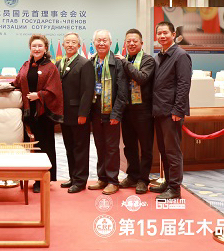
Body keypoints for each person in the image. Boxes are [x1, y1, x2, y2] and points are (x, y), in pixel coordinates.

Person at [12, 34, 63, 193]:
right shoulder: (26, 65)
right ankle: (30, 176)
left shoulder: (51, 67)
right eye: (34, 46)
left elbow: (55, 90)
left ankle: (43, 180)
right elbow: (17, 82)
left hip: (43, 114)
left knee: (44, 147)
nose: (37, 48)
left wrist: (39, 95)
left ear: (45, 48)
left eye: (40, 46)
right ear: (30, 48)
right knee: (29, 146)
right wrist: (3, 88)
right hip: (28, 112)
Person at [150, 21, 192, 200]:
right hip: (159, 110)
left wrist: (178, 110)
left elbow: (184, 84)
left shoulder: (181, 55)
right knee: (163, 150)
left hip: (171, 112)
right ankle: (168, 182)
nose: (162, 36)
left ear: (173, 34)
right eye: (159, 33)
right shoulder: (159, 56)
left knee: (173, 151)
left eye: (165, 33)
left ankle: (175, 188)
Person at [115, 28, 156, 194]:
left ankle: (143, 179)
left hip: (144, 110)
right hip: (127, 110)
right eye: (129, 41)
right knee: (129, 146)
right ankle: (132, 175)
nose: (131, 44)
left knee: (145, 147)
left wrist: (125, 63)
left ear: (141, 43)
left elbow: (141, 78)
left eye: (135, 41)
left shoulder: (148, 60)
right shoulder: (123, 60)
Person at [88, 29, 128, 195]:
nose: (101, 43)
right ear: (94, 43)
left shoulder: (117, 63)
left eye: (105, 40)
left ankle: (113, 181)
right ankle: (102, 178)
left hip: (111, 111)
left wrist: (116, 114)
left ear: (110, 43)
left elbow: (123, 91)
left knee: (111, 147)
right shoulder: (90, 62)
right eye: (98, 40)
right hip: (95, 111)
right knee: (100, 146)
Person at [56, 32, 94, 194]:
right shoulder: (59, 63)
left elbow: (88, 91)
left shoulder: (85, 63)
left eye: (73, 42)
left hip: (78, 113)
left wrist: (83, 113)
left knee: (80, 148)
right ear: (63, 45)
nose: (70, 45)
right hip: (64, 114)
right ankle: (73, 177)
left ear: (79, 45)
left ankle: (80, 180)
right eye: (67, 42)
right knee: (69, 147)